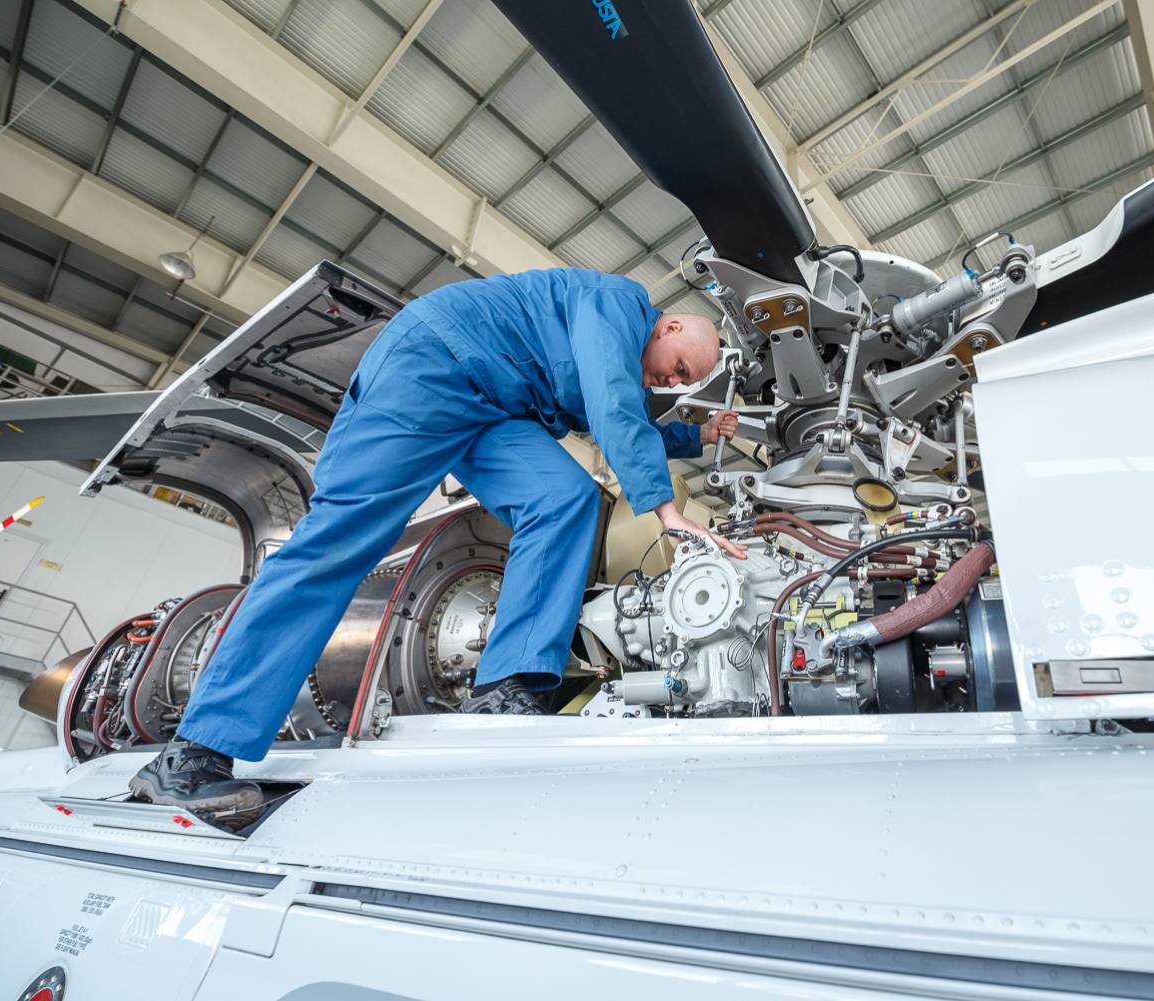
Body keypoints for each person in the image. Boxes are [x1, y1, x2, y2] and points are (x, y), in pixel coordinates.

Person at [129, 267, 744, 826]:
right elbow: (612, 400)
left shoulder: (615, 344)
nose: (672, 381)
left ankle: (508, 688)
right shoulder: (620, 303)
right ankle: (195, 751)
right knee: (335, 547)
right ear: (667, 325)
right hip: (433, 364)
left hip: (494, 409)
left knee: (564, 498)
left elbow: (615, 410)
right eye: (680, 368)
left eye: (684, 382)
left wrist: (696, 433)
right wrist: (665, 510)